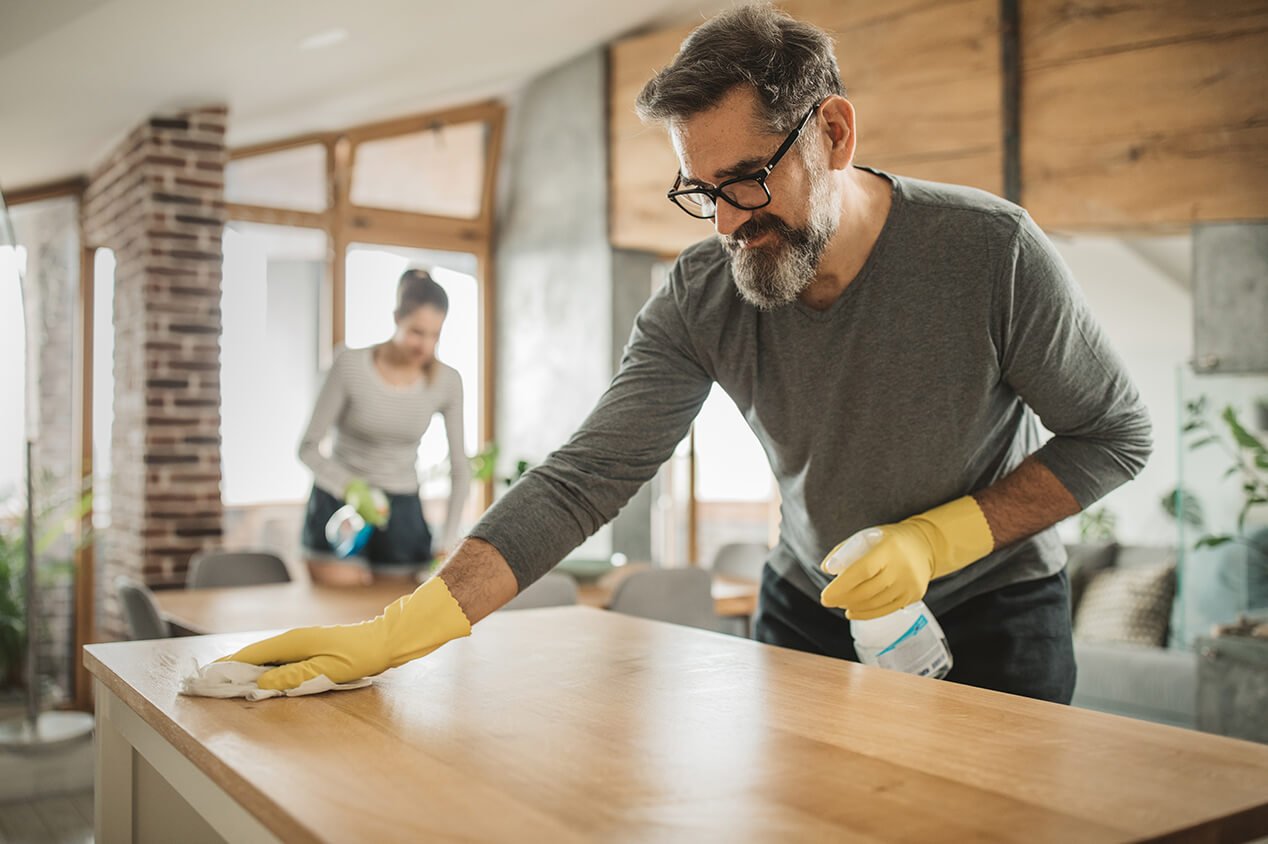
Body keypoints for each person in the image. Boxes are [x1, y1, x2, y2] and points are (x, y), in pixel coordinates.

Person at [225, 5, 1151, 702]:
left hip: (993, 612)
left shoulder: (991, 253)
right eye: (703, 192)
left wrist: (937, 538)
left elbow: (1115, 433)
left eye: (749, 179)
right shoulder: (704, 292)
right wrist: (404, 628)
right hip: (809, 609)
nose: (731, 223)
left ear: (832, 133)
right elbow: (586, 476)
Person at [296, 268, 470, 586]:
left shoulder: (447, 382)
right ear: (396, 318)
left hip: (402, 511)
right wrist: (350, 487)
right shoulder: (349, 365)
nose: (425, 346)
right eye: (417, 332)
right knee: (337, 616)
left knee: (395, 618)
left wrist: (446, 542)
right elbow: (307, 448)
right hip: (339, 503)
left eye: (435, 335)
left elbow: (461, 468)